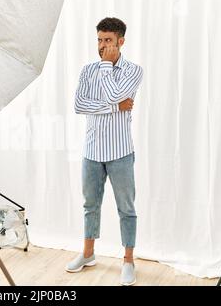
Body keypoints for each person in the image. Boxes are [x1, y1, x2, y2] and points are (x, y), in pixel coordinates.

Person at [66, 17, 143, 286]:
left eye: (108, 40)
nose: (102, 45)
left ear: (121, 41)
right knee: (90, 205)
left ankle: (128, 260)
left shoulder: (134, 70)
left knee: (126, 208)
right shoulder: (88, 70)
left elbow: (109, 95)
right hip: (91, 151)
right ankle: (88, 254)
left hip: (120, 151)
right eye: (99, 40)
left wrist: (108, 66)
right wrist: (115, 107)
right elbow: (79, 105)